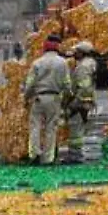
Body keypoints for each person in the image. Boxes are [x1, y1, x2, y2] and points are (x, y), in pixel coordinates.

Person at [23, 35, 68, 164]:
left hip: (39, 97)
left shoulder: (37, 62)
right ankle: (48, 158)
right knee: (51, 128)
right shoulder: (63, 62)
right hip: (54, 98)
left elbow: (30, 83)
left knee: (35, 126)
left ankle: (34, 154)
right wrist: (66, 97)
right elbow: (67, 83)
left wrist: (26, 97)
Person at [63, 40, 98, 162]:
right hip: (86, 101)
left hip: (81, 102)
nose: (75, 54)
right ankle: (76, 153)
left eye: (77, 52)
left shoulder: (83, 67)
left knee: (75, 129)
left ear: (83, 52)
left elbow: (84, 87)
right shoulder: (90, 63)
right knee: (79, 129)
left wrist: (75, 103)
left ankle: (75, 155)